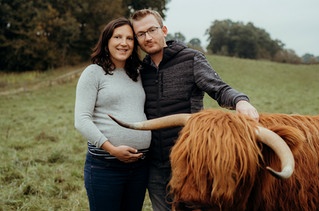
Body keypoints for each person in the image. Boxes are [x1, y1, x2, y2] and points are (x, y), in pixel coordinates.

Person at [130, 9, 260, 211]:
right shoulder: (141, 70)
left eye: (152, 30)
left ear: (164, 30)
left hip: (189, 161)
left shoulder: (190, 59)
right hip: (155, 162)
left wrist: (240, 101)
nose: (147, 37)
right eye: (140, 34)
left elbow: (219, 88)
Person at [74, 17, 151, 211]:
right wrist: (112, 149)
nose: (124, 43)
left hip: (139, 167)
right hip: (105, 167)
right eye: (118, 37)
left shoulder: (138, 73)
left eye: (129, 38)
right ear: (107, 41)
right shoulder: (94, 73)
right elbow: (81, 120)